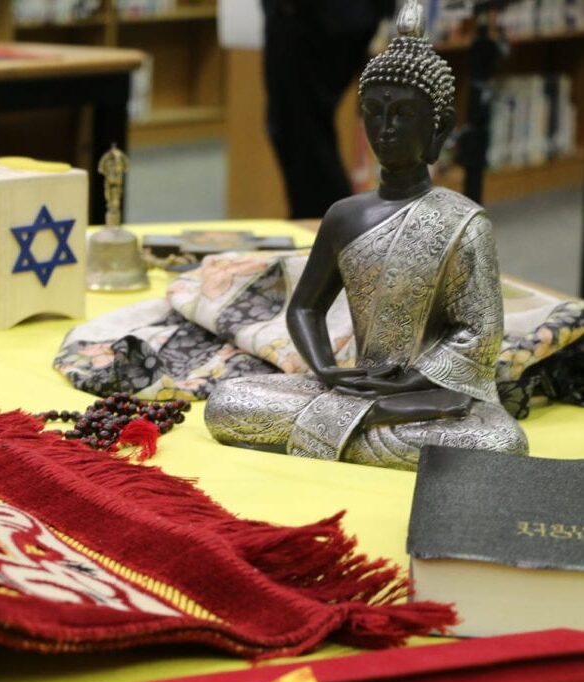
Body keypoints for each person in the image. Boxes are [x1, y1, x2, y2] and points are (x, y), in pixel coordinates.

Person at [205, 0, 528, 470]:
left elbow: (478, 333)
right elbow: (305, 306)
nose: (386, 128)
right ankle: (362, 424)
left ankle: (351, 425)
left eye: (402, 114)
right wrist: (326, 369)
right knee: (230, 401)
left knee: (498, 442)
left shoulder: (464, 220)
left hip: (429, 393)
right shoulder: (344, 215)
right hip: (356, 383)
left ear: (437, 129)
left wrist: (410, 382)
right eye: (374, 113)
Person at [262, 0, 395, 218]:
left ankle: (329, 231)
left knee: (299, 130)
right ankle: (329, 229)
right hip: (341, 15)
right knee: (302, 130)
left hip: (312, 16)